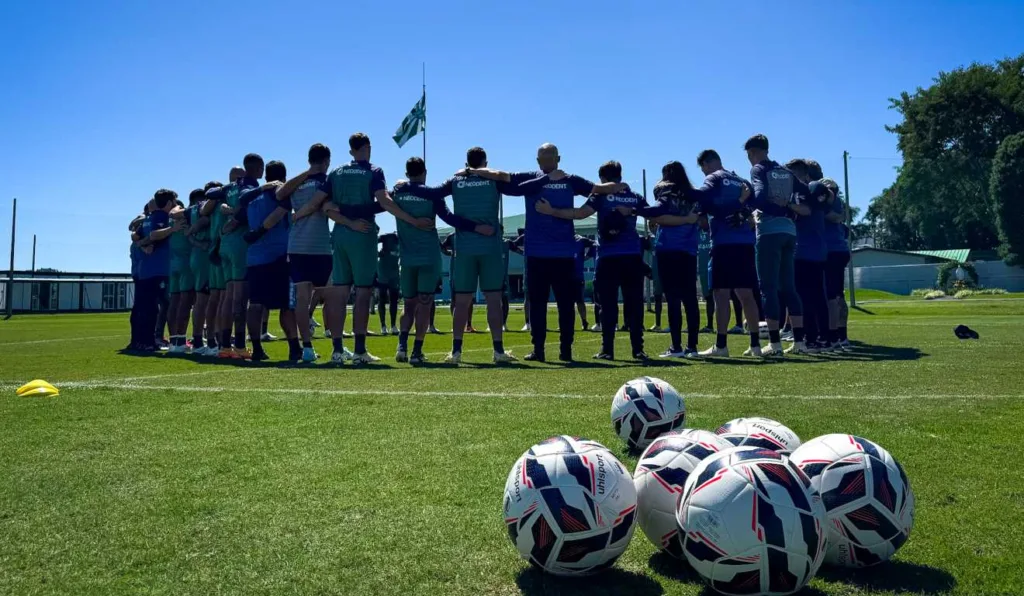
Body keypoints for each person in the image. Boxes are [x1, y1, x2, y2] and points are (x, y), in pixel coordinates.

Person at [472, 143, 624, 362]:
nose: (545, 163)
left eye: (549, 158)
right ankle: (539, 350)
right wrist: (473, 170)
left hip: (564, 254)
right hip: (535, 254)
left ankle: (566, 351)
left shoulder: (570, 179)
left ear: (558, 158)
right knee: (537, 304)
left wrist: (620, 186)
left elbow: (598, 189)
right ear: (537, 161)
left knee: (566, 305)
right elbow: (500, 175)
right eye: (542, 159)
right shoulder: (530, 178)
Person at [404, 146, 550, 364]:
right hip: (490, 248)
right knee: (494, 300)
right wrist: (548, 177)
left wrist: (405, 185)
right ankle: (498, 351)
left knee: (461, 301)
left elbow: (430, 193)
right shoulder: (494, 181)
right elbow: (522, 186)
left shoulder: (455, 181)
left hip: (464, 249)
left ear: (466, 163)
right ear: (486, 162)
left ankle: (456, 352)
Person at [315, 133, 434, 364]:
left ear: (351, 150)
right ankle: (359, 350)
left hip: (339, 235)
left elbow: (323, 203)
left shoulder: (336, 172)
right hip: (363, 234)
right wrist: (412, 219)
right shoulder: (374, 171)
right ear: (368, 148)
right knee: (363, 293)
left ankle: (337, 350)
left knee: (339, 293)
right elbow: (385, 201)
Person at [535, 160, 649, 361]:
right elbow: (652, 216)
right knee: (635, 303)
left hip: (608, 257)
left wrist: (552, 211)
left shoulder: (601, 194)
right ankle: (638, 350)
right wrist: (631, 212)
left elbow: (580, 214)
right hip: (633, 256)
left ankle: (608, 350)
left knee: (608, 305)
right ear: (620, 175)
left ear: (604, 179)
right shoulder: (635, 197)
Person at [389, 157, 493, 363]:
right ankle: (416, 351)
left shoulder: (398, 192)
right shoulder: (431, 195)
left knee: (408, 305)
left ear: (407, 172)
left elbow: (378, 205)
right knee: (425, 303)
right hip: (428, 255)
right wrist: (477, 227)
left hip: (407, 257)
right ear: (425, 172)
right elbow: (450, 218)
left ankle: (402, 346)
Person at [745, 134, 823, 356]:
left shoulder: (759, 170)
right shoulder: (786, 172)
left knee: (768, 288)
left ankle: (775, 343)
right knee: (789, 287)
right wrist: (789, 208)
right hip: (790, 232)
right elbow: (807, 194)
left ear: (752, 152)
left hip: (769, 231)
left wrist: (746, 200)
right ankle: (799, 342)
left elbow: (759, 197)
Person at [687, 150, 761, 357]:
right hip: (746, 243)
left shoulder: (714, 178)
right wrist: (743, 209)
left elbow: (702, 200)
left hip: (723, 243)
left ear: (708, 165)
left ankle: (721, 345)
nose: (704, 173)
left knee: (721, 294)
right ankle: (755, 345)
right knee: (746, 294)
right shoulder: (741, 180)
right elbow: (754, 206)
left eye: (703, 169)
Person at [272, 143, 334, 363]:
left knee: (302, 299)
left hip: (297, 246)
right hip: (319, 247)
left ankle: (307, 347)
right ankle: (337, 347)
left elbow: (280, 193)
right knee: (331, 297)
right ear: (326, 161)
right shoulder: (326, 181)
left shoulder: (298, 183)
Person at [235, 160, 300, 361]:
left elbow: (237, 217)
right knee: (286, 305)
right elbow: (280, 212)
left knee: (255, 304)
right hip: (278, 256)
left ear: (265, 177)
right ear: (284, 177)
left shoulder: (254, 198)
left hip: (255, 258)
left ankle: (257, 348)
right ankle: (294, 347)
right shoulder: (279, 192)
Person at [210, 156, 263, 358]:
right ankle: (239, 345)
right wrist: (236, 217)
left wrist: (226, 201)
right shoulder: (250, 185)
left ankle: (224, 345)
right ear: (256, 168)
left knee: (228, 296)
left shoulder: (228, 188)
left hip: (225, 244)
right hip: (240, 244)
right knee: (240, 299)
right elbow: (247, 205)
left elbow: (211, 193)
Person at [789, 158, 832, 353]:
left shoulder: (812, 187)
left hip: (809, 249)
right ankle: (821, 337)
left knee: (808, 296)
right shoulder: (803, 190)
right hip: (811, 249)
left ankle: (814, 338)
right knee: (814, 295)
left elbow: (826, 197)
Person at [130, 190, 178, 352]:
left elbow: (135, 237)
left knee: (143, 307)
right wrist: (172, 229)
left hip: (145, 271)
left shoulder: (147, 219)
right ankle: (148, 341)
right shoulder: (161, 217)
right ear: (170, 203)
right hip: (158, 270)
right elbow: (154, 234)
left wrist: (143, 244)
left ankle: (139, 341)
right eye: (174, 202)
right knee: (154, 308)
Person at [821, 176, 852, 350]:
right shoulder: (836, 204)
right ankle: (840, 335)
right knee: (836, 295)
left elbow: (833, 217)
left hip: (831, 252)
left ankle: (835, 336)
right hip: (836, 251)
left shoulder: (831, 202)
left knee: (832, 296)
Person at [166, 195, 199, 353]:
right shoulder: (188, 214)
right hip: (186, 262)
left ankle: (174, 340)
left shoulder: (172, 217)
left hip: (173, 262)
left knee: (174, 302)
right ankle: (180, 340)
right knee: (185, 303)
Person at [184, 187, 213, 355]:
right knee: (205, 299)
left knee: (200, 299)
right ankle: (202, 339)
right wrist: (201, 243)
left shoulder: (188, 212)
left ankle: (200, 338)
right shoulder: (202, 209)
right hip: (203, 257)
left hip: (196, 257)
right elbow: (204, 222)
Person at [376, 233, 401, 335]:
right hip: (382, 272)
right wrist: (377, 253)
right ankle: (383, 326)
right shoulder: (387, 237)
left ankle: (393, 325)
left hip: (394, 273)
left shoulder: (402, 238)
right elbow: (372, 242)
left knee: (394, 299)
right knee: (382, 298)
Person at [573, 234, 595, 331]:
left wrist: (588, 255)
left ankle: (584, 321)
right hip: (565, 276)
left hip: (577, 276)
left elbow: (594, 244)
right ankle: (567, 322)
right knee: (566, 302)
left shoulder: (580, 240)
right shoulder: (563, 239)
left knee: (580, 301)